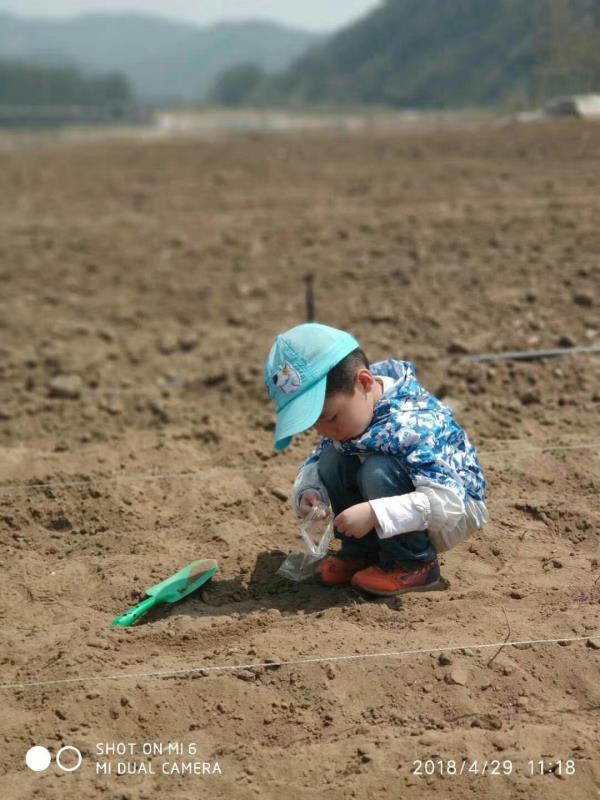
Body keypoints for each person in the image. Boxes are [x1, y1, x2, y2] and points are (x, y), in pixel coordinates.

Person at [264, 322, 489, 597]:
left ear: (365, 382)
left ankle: (414, 561)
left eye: (330, 417)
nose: (323, 431)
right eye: (313, 424)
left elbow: (448, 502)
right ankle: (362, 553)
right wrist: (311, 491)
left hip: (451, 508)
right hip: (410, 499)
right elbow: (320, 457)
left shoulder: (413, 422)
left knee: (378, 469)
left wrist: (376, 513)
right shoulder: (355, 409)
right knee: (332, 457)